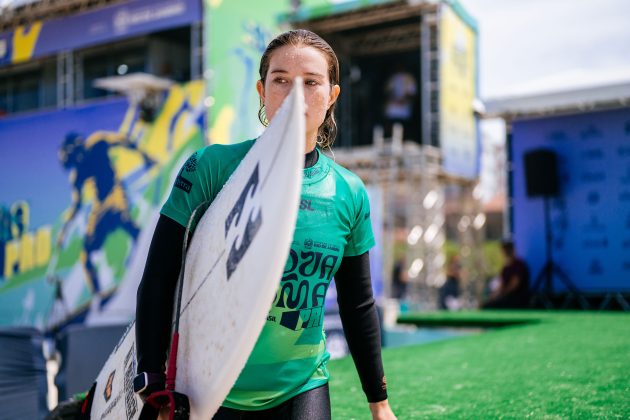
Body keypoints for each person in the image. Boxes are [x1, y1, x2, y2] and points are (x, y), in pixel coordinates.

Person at [135, 29, 396, 420]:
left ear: (332, 96)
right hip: (209, 386)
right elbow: (160, 276)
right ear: (262, 90)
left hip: (300, 383)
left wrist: (379, 403)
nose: (295, 94)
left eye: (311, 83)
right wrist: (152, 381)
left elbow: (357, 304)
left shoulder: (348, 192)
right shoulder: (210, 169)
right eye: (280, 81)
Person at [481, 240, 530, 309]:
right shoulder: (505, 268)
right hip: (506, 298)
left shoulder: (519, 265)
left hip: (517, 299)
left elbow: (513, 285)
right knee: (486, 304)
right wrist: (492, 297)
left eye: (507, 250)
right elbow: (501, 285)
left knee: (489, 306)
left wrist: (501, 295)